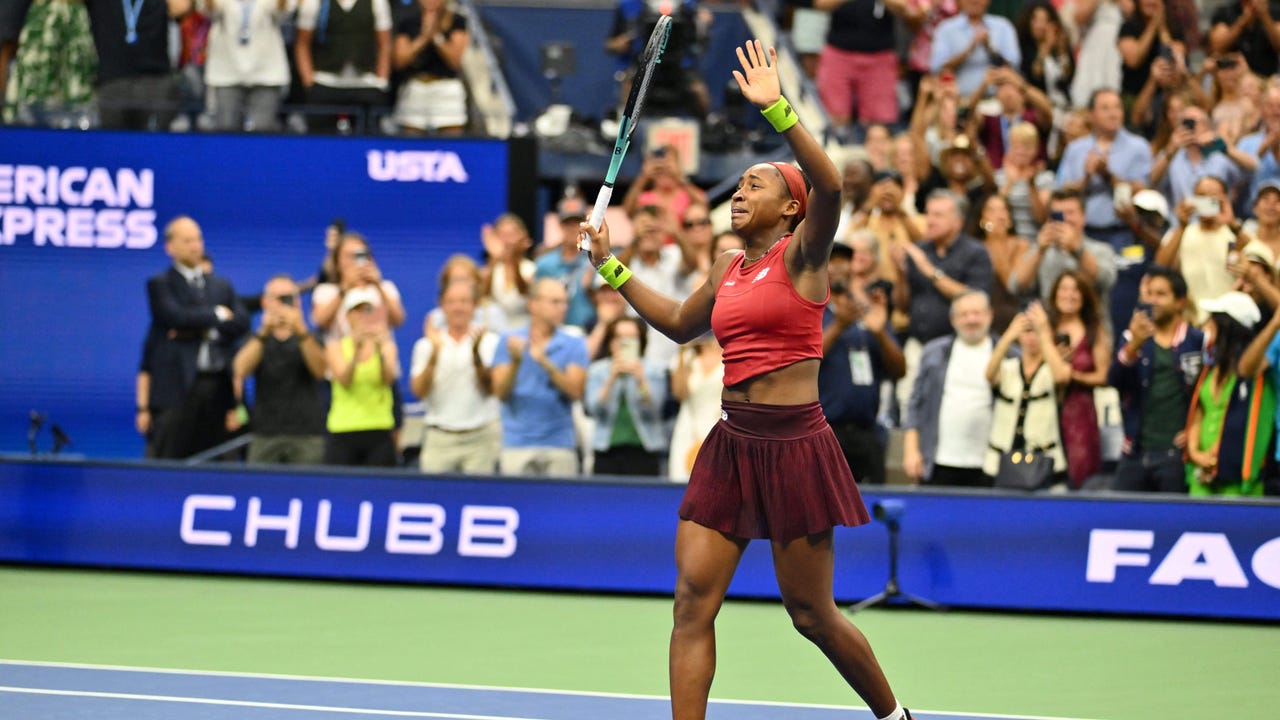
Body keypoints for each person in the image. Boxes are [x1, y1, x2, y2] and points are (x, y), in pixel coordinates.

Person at [579, 40, 913, 720]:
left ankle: (895, 717)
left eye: (754, 185)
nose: (739, 193)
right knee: (691, 603)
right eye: (737, 186)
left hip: (796, 449)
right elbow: (677, 323)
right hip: (731, 444)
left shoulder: (806, 258)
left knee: (811, 615)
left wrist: (780, 110)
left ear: (790, 209)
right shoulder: (725, 269)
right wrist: (611, 268)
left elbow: (832, 185)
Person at [145, 216, 251, 459]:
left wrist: (197, 326)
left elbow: (242, 322)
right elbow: (174, 317)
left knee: (217, 460)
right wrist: (216, 314)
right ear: (169, 247)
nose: (195, 245)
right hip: (177, 389)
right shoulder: (160, 284)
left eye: (198, 239)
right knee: (172, 459)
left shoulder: (220, 285)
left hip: (217, 388)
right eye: (187, 240)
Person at [1108, 266, 1205, 493]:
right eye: (1149, 294)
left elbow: (1207, 393)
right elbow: (1114, 379)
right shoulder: (1132, 337)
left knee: (1173, 521)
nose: (1153, 300)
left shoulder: (1197, 341)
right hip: (1135, 451)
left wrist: (1195, 428)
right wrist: (1134, 346)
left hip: (1176, 454)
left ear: (1180, 302)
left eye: (1161, 294)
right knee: (1118, 518)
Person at [818, 239, 905, 485]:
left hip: (867, 431)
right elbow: (802, 361)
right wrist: (839, 326)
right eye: (831, 260)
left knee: (870, 510)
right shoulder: (811, 309)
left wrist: (879, 332)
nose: (839, 267)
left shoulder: (869, 310)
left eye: (844, 261)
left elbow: (899, 369)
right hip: (824, 430)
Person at [491, 278, 588, 477]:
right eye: (555, 302)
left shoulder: (574, 343)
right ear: (533, 305)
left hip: (559, 444)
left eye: (564, 302)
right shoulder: (508, 341)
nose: (563, 308)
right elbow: (500, 393)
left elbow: (576, 392)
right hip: (516, 444)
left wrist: (544, 362)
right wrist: (516, 362)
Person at [902, 290, 997, 486]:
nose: (971, 320)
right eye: (964, 314)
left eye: (977, 313)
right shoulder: (934, 353)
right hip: (938, 461)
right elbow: (915, 403)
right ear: (952, 319)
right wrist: (911, 450)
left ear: (990, 315)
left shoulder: (1008, 354)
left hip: (989, 464)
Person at [232, 275, 327, 465]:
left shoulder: (312, 337)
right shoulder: (256, 338)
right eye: (277, 298)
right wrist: (264, 332)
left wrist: (301, 331)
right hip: (264, 433)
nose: (282, 304)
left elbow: (320, 371)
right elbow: (240, 370)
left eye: (288, 298)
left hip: (307, 434)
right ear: (264, 302)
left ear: (298, 302)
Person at [1185, 292, 1273, 496]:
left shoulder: (1253, 371)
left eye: (1213, 320)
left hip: (1235, 472)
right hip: (1201, 474)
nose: (1206, 325)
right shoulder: (1209, 367)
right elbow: (1199, 414)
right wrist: (1196, 453)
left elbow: (1241, 421)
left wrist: (1216, 455)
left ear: (1227, 327)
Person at [409, 280, 502, 474]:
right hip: (439, 437)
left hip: (480, 437)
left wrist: (476, 354)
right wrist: (434, 354)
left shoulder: (490, 342)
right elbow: (419, 391)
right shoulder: (426, 345)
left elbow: (492, 389)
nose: (458, 307)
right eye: (451, 301)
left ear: (474, 305)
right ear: (442, 305)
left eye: (464, 301)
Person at [984, 303, 1071, 489]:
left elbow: (1062, 376)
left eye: (1036, 332)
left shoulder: (1052, 368)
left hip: (1045, 462)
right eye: (1027, 331)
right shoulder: (1009, 368)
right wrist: (1008, 336)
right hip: (1004, 461)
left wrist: (1045, 334)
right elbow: (989, 375)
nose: (1032, 338)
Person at [812, 0, 922, 143]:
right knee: (834, 117)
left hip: (879, 56)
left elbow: (904, 7)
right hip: (839, 51)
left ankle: (876, 163)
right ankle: (831, 158)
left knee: (878, 124)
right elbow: (820, 4)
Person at [1010, 188, 1118, 316]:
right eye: (1058, 214)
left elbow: (1105, 280)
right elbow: (1016, 286)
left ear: (1083, 217)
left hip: (1093, 328)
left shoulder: (1101, 250)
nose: (1065, 219)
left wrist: (1077, 249)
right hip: (1050, 329)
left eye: (1070, 212)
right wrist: (1039, 250)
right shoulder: (1042, 250)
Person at [324, 286, 400, 467]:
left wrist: (380, 350)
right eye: (356, 311)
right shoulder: (336, 347)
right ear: (348, 316)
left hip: (378, 428)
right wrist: (357, 353)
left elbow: (388, 379)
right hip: (343, 429)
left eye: (367, 310)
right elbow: (344, 380)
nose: (362, 317)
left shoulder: (386, 346)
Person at [1154, 176, 1246, 323]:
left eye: (1213, 196)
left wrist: (1231, 222)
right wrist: (1181, 226)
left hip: (1231, 320)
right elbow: (1159, 267)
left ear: (1225, 198)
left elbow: (1259, 257)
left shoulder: (1236, 231)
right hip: (1191, 319)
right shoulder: (1181, 232)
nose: (1207, 201)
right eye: (1201, 196)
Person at [1048, 270, 1110, 489]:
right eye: (1064, 288)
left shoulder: (1094, 330)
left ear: (1084, 297)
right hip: (1044, 407)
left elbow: (1103, 375)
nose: (1069, 294)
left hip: (1079, 410)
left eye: (1075, 290)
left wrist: (1070, 374)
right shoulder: (1044, 327)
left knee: (1080, 472)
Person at [584, 316, 668, 476]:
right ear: (611, 341)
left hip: (644, 450)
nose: (624, 343)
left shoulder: (653, 370)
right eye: (619, 337)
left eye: (631, 338)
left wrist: (641, 380)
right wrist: (611, 378)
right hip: (606, 450)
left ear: (641, 341)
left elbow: (654, 410)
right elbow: (593, 409)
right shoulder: (598, 370)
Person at [84, 0, 185, 130]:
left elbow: (183, 6)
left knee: (154, 146)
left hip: (155, 81)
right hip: (113, 81)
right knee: (114, 146)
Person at [294, 0, 392, 133]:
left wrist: (381, 82)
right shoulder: (315, 3)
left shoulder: (377, 2)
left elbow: (385, 44)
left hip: (366, 85)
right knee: (320, 143)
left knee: (368, 140)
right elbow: (302, 43)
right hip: (324, 84)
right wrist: (309, 82)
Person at [311, 232, 406, 344]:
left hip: (382, 357)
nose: (355, 261)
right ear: (337, 262)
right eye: (349, 256)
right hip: (342, 358)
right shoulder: (326, 291)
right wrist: (345, 288)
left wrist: (378, 285)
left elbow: (398, 320)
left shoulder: (386, 287)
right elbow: (321, 322)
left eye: (360, 255)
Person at [391, 0, 468, 135]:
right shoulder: (409, 22)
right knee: (410, 139)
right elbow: (400, 60)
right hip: (416, 87)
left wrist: (437, 37)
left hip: (445, 88)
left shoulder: (456, 21)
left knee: (452, 140)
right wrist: (423, 39)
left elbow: (455, 60)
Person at [929, 0, 1020, 97]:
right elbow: (937, 69)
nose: (974, 1)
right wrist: (969, 49)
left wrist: (989, 48)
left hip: (997, 101)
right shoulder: (946, 29)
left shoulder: (1003, 26)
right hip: (959, 101)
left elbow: (1013, 67)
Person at [667, 333, 723, 481]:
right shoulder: (687, 357)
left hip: (719, 427)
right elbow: (679, 393)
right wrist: (682, 352)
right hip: (687, 429)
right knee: (681, 481)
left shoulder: (732, 356)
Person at [976, 193, 1031, 333]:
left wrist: (997, 241)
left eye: (1003, 210)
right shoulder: (975, 248)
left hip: (1015, 309)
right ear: (982, 219)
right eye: (992, 210)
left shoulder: (1021, 245)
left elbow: (1011, 285)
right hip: (984, 310)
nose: (999, 216)